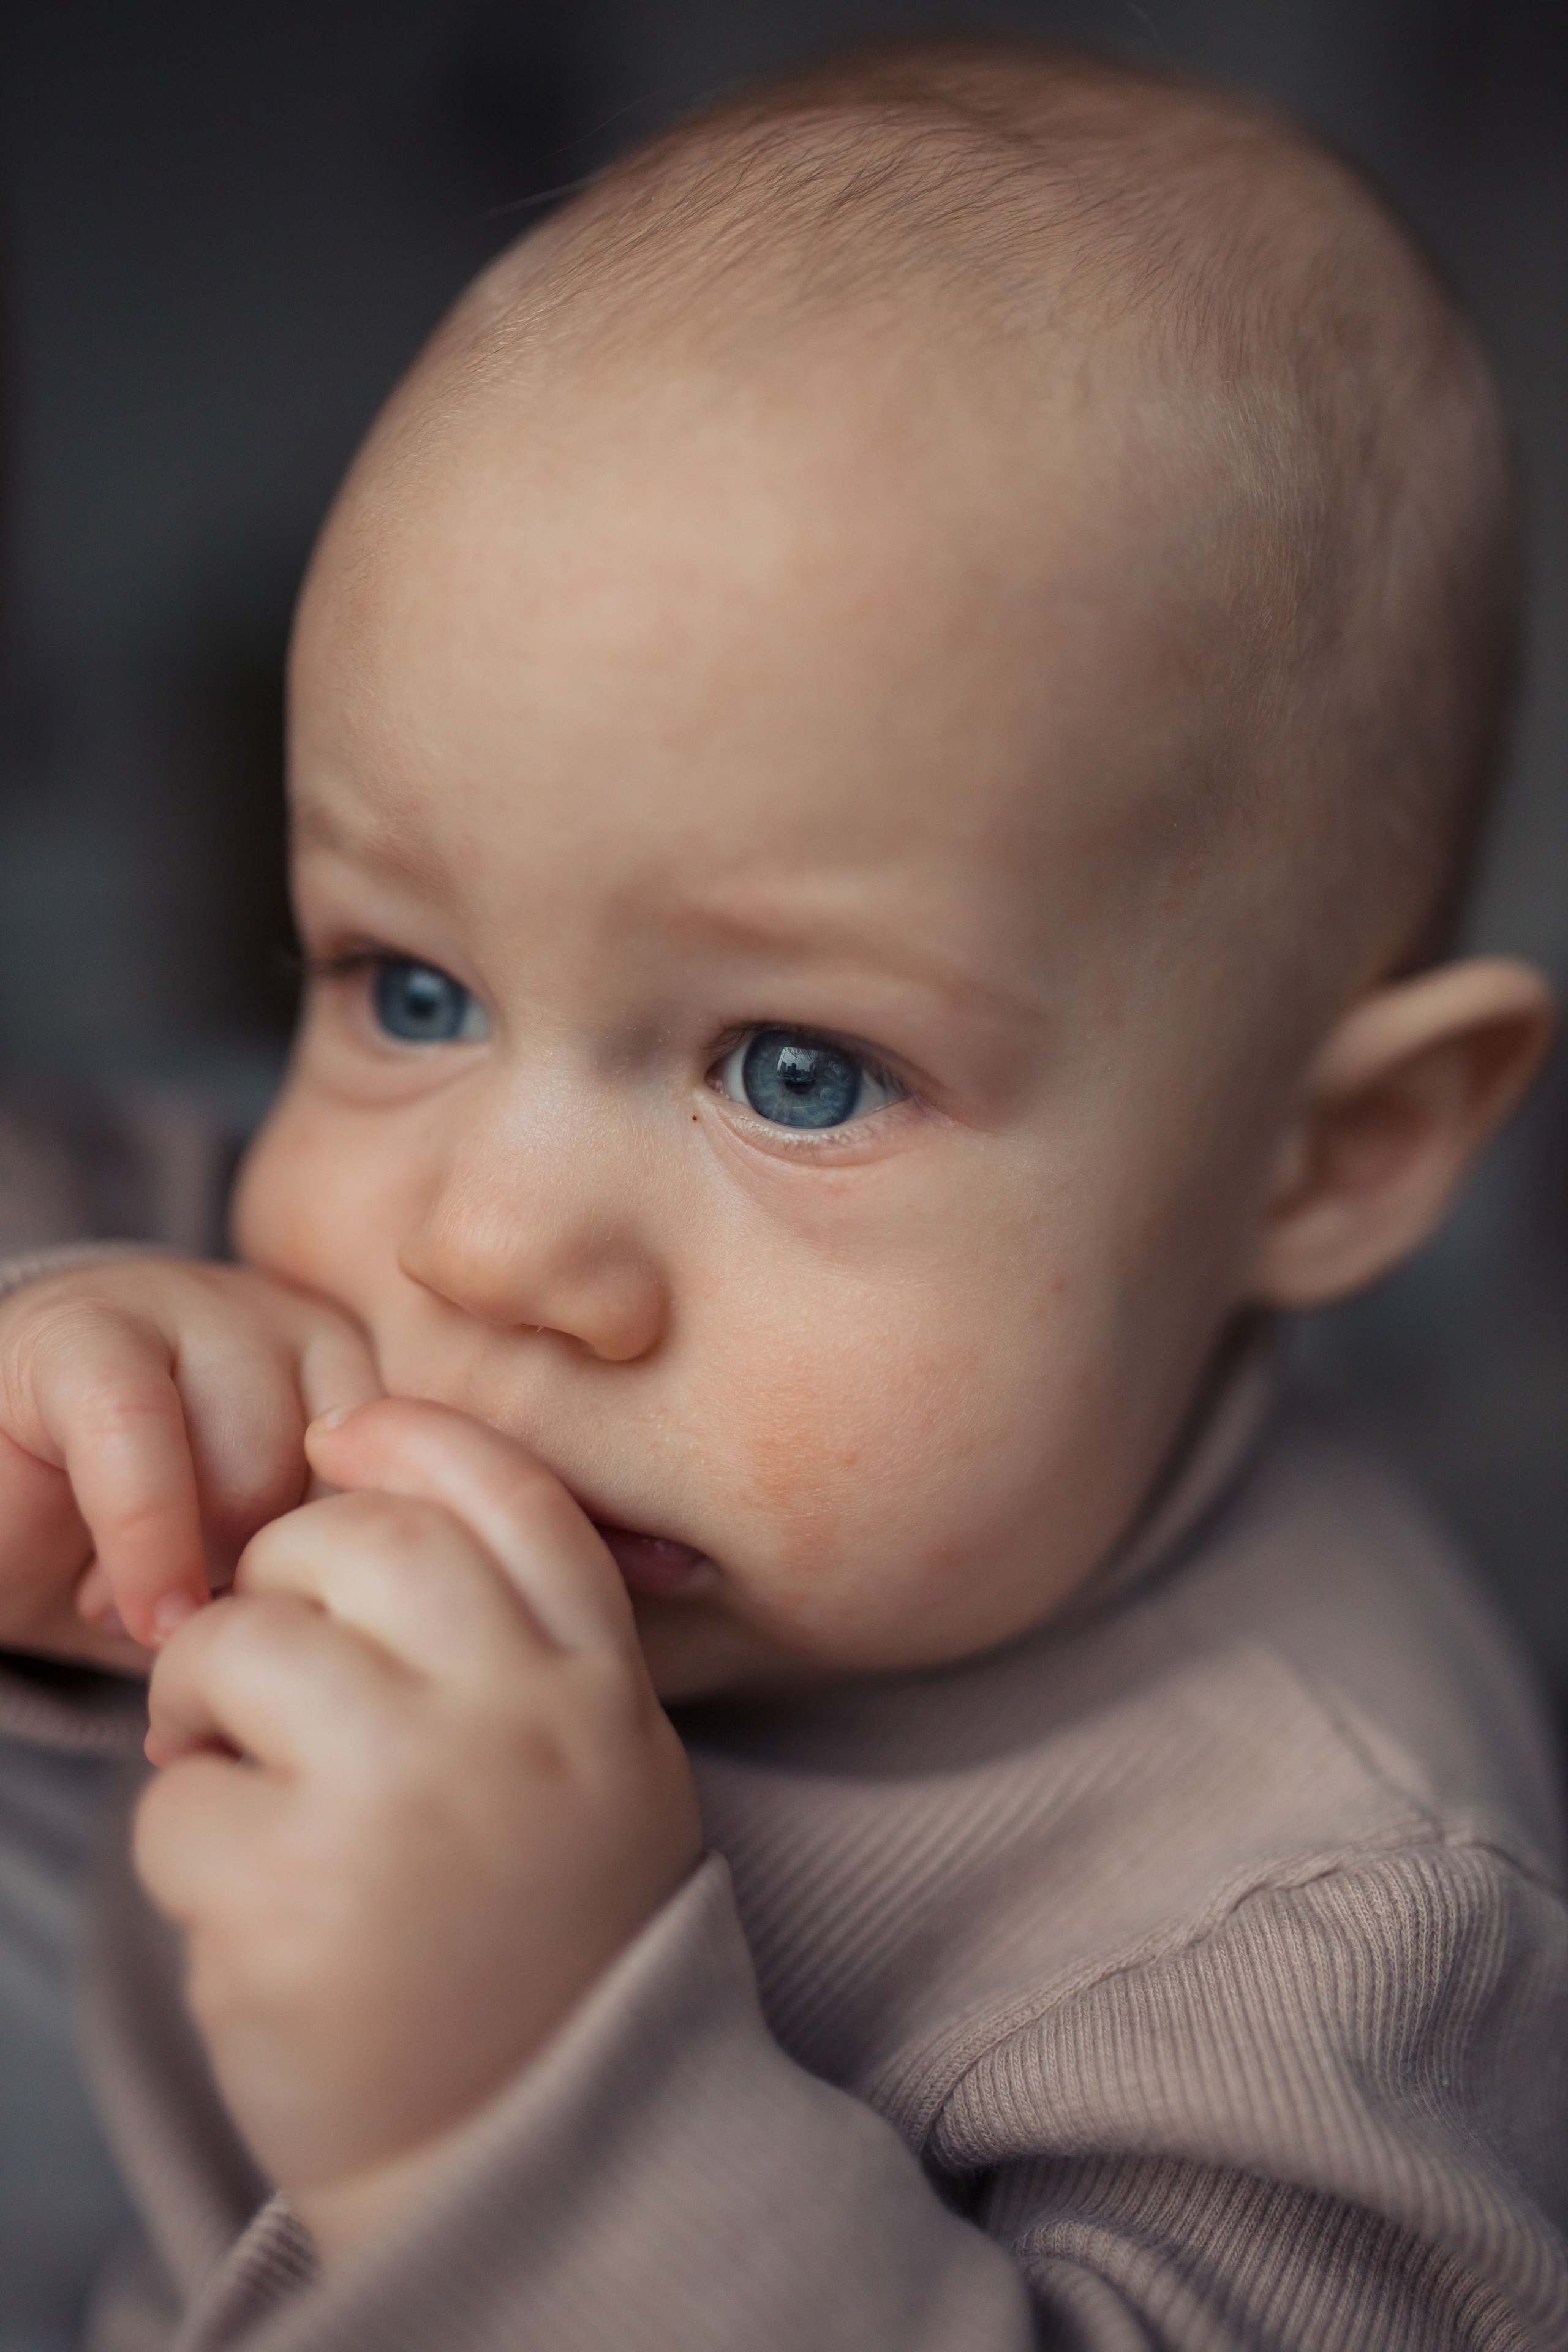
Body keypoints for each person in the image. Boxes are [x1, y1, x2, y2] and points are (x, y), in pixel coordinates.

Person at [0, 37, 1564, 2351]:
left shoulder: (1325, 1906)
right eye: (409, 992)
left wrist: (540, 2097)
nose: (486, 1248)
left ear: (1329, 1159)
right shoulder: (291, 1290)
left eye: (800, 1070)